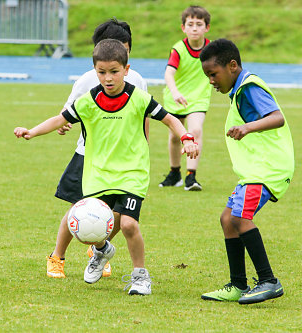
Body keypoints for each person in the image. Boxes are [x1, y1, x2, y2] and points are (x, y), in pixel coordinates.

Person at [15, 39, 199, 295]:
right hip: (97, 175)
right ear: (95, 71)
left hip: (132, 173)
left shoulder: (139, 98)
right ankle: (102, 251)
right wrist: (31, 132)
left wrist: (187, 138)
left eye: (114, 71)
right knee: (88, 230)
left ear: (126, 69)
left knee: (128, 225)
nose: (108, 78)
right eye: (102, 72)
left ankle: (140, 276)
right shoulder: (88, 101)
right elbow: (60, 119)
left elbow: (170, 120)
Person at [46, 18, 149, 280]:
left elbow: (144, 116)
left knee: (114, 214)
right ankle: (57, 256)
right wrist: (63, 126)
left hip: (124, 161)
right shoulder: (86, 81)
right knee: (77, 210)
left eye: (123, 48)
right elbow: (68, 112)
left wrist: (144, 148)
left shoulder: (136, 80)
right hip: (88, 157)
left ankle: (98, 252)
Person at [199, 39, 294, 304]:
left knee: (240, 217)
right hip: (257, 169)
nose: (211, 81)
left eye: (213, 74)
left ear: (232, 66)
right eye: (207, 76)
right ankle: (238, 285)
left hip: (268, 169)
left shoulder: (250, 87)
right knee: (228, 219)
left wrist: (248, 128)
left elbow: (277, 117)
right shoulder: (239, 90)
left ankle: (269, 281)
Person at [159, 5, 212, 191]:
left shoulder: (211, 49)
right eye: (190, 24)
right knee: (175, 138)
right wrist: (175, 93)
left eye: (199, 24)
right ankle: (175, 173)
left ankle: (191, 176)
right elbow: (168, 74)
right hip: (176, 97)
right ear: (183, 27)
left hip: (198, 98)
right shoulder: (178, 49)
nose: (195, 28)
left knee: (195, 130)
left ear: (207, 28)